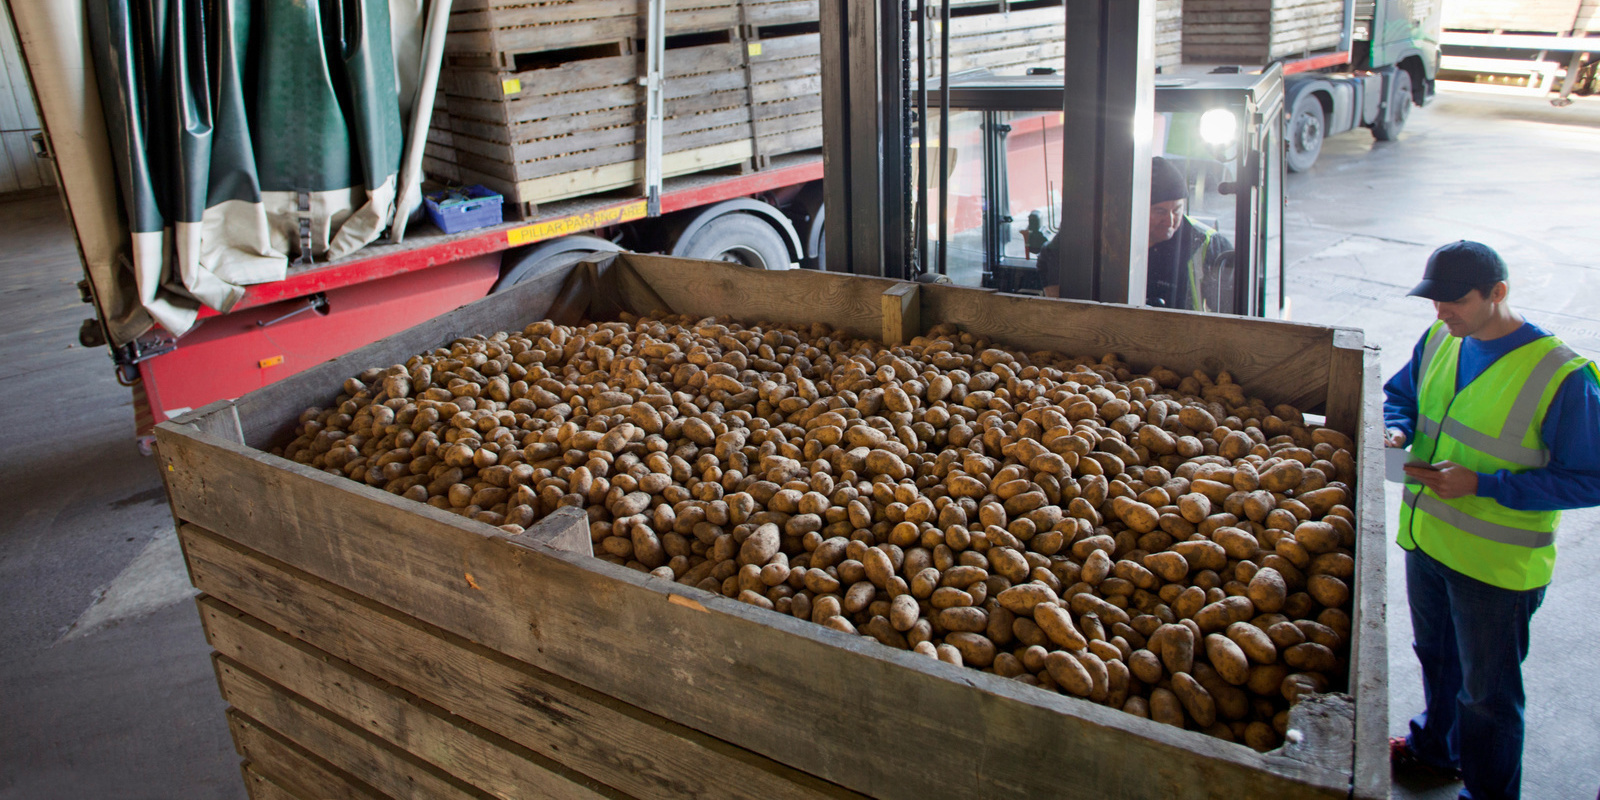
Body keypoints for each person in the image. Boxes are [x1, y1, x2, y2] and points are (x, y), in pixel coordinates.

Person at [1383, 240, 1600, 800]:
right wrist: (1398, 429)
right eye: (1434, 300)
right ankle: (1436, 749)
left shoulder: (1562, 375)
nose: (1440, 312)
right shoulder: (1439, 339)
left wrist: (1484, 485)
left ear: (1498, 294)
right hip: (1427, 540)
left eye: (1454, 301)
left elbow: (1590, 477)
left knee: (1488, 697)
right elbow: (1400, 395)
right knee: (1435, 657)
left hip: (1495, 570)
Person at [1037, 156, 1232, 309]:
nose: (1170, 221)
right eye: (1160, 211)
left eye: (1177, 210)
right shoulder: (1105, 231)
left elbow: (1229, 310)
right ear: (1136, 211)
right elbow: (1052, 255)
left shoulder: (1207, 243)